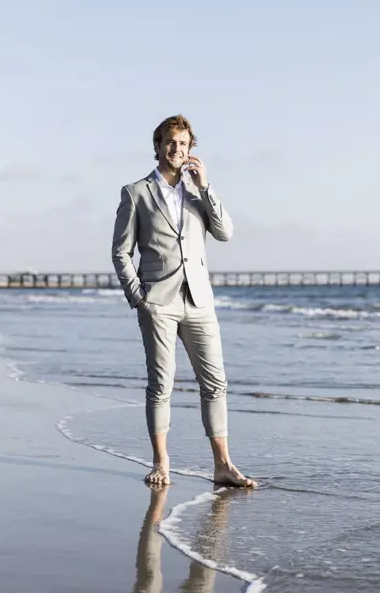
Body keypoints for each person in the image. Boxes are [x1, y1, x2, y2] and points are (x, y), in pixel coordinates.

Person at [112, 114, 256, 488]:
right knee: (162, 384)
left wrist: (206, 187)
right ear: (158, 146)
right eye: (170, 143)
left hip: (199, 301)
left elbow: (225, 233)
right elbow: (121, 252)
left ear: (191, 150)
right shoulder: (135, 193)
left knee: (216, 382)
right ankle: (162, 462)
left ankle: (223, 464)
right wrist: (138, 297)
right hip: (157, 301)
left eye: (184, 144)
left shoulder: (196, 196)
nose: (177, 150)